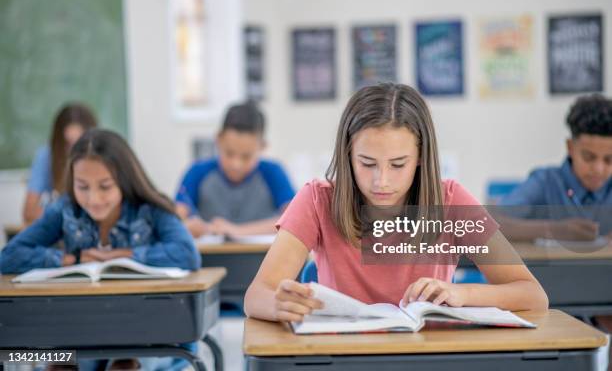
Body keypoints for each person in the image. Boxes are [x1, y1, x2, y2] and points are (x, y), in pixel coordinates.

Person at [244, 83, 548, 323]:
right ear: (347, 156)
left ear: (420, 159)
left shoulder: (451, 201)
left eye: (398, 164)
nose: (382, 181)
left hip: (428, 356)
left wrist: (461, 292)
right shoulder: (316, 199)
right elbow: (256, 295)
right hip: (345, 359)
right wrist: (280, 304)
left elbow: (532, 294)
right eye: (367, 163)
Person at [2, 128, 201, 371]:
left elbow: (187, 254)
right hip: (83, 328)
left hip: (144, 330)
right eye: (82, 186)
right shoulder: (65, 209)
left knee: (125, 363)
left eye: (105, 186)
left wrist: (123, 254)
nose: (93, 199)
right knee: (59, 363)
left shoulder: (150, 208)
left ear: (124, 180)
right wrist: (72, 259)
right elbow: (9, 256)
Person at [499, 93, 612, 242]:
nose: (599, 169)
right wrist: (554, 230)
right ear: (570, 147)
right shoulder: (545, 182)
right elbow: (488, 223)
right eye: (589, 157)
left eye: (609, 160)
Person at [175, 102, 295, 238]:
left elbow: (294, 220)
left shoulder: (274, 172)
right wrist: (186, 226)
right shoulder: (197, 172)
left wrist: (237, 230)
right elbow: (175, 220)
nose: (236, 164)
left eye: (246, 157)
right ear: (218, 140)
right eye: (229, 153)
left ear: (262, 146)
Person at [22, 103, 97, 224]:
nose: (74, 151)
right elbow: (29, 212)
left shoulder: (103, 158)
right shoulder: (46, 156)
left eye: (80, 143)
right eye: (68, 143)